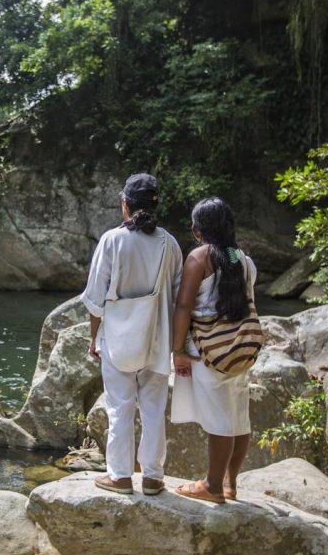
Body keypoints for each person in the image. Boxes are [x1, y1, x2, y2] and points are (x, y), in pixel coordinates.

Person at [81, 173, 183, 495]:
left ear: (125, 204)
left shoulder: (112, 241)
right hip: (157, 339)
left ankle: (120, 476)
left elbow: (96, 300)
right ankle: (153, 477)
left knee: (119, 406)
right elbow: (180, 299)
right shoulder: (170, 244)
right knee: (153, 409)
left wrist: (93, 338)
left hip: (118, 341)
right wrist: (178, 346)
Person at [170, 197, 256, 504]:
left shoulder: (199, 258)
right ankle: (231, 484)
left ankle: (213, 485)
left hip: (209, 351)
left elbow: (183, 305)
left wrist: (178, 349)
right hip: (239, 350)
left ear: (198, 230)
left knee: (221, 419)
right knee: (238, 418)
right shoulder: (239, 258)